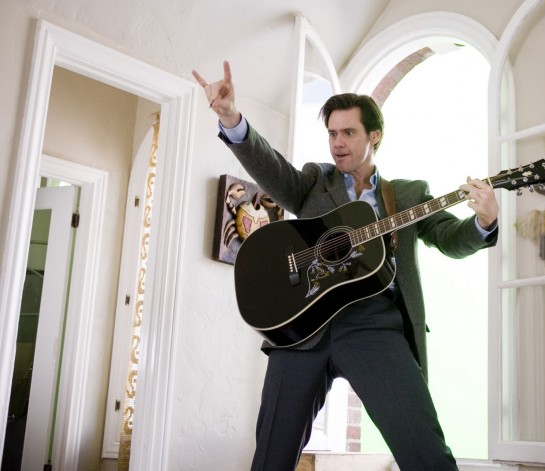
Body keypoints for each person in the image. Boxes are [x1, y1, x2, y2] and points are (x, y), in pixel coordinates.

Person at [193, 60, 499, 471]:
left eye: (348, 132)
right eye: (332, 133)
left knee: (426, 454)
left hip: (374, 326)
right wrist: (232, 119)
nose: (337, 143)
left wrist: (484, 222)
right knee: (270, 460)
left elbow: (449, 237)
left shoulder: (407, 195)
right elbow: (271, 168)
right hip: (302, 328)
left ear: (374, 136)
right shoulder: (313, 182)